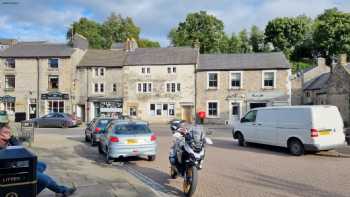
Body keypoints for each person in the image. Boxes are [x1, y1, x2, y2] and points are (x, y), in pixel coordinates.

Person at [0, 111, 76, 196]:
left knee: (42, 165)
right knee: (44, 180)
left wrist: (11, 138)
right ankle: (60, 190)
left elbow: (19, 149)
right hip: (8, 171)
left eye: (6, 124)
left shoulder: (8, 135)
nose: (6, 126)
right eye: (3, 125)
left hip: (15, 165)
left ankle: (29, 188)